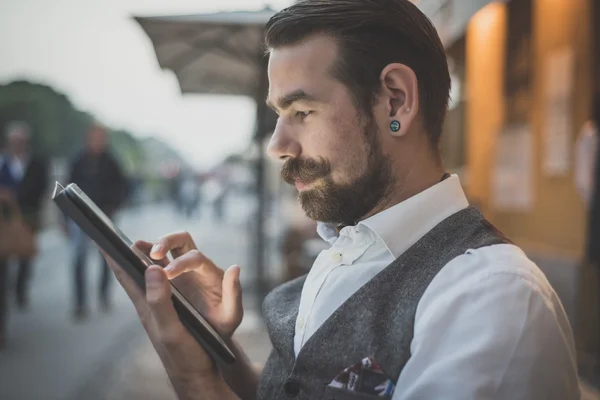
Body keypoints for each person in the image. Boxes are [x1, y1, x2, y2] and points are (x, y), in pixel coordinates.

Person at [103, 1, 580, 399]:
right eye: (278, 114)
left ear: (394, 101)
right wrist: (217, 352)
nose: (277, 145)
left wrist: (194, 381)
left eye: (302, 111)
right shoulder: (343, 249)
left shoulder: (493, 301)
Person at [67, 124, 127, 320]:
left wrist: (114, 205)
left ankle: (103, 295)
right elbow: (67, 188)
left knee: (106, 259)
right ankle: (80, 302)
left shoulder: (111, 161)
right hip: (79, 216)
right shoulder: (78, 160)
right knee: (78, 259)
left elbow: (122, 186)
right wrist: (64, 216)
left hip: (104, 216)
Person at [0, 121, 48, 348]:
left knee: (25, 255)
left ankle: (20, 288)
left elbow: (42, 186)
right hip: (5, 219)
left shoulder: (36, 163)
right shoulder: (3, 162)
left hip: (27, 215)